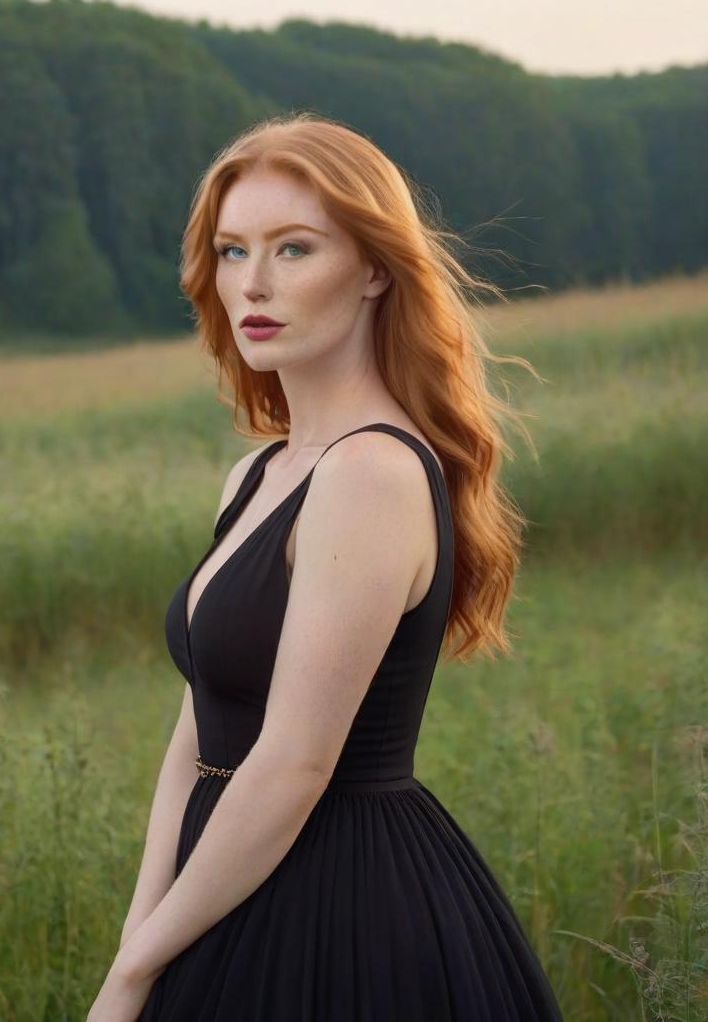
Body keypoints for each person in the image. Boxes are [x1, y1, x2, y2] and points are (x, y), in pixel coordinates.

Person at [87, 111, 564, 1021]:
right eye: (232, 251)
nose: (253, 284)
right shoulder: (259, 472)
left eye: (293, 250)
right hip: (223, 885)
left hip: (341, 907)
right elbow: (197, 738)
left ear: (376, 269)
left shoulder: (371, 474)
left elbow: (295, 764)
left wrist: (133, 973)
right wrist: (138, 943)